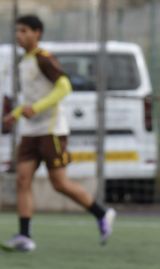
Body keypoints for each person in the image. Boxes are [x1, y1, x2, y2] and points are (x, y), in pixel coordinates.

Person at [1, 14, 115, 253]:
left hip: (51, 130)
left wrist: (37, 108)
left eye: (24, 31)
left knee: (60, 183)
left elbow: (64, 87)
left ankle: (102, 213)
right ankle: (24, 236)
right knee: (23, 179)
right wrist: (17, 113)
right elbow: (32, 98)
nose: (19, 36)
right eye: (17, 31)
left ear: (37, 33)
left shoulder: (45, 59)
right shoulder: (24, 62)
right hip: (30, 131)